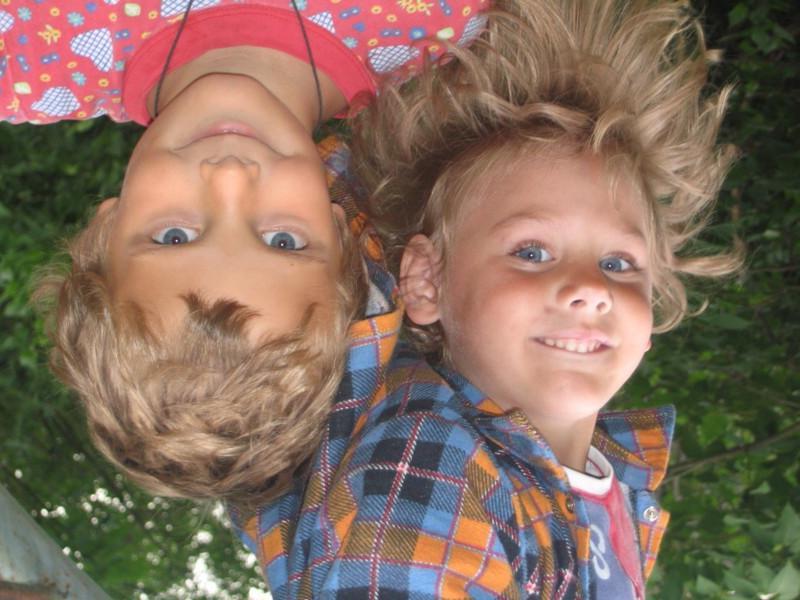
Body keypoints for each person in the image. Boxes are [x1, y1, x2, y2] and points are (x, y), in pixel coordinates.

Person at [234, 0, 742, 596]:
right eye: (532, 251)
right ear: (427, 282)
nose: (592, 289)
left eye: (618, 264)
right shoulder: (431, 460)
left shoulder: (614, 490)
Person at [6, 0, 489, 506]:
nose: (231, 175)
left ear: (105, 230)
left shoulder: (22, 47)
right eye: (282, 241)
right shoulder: (445, 19)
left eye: (175, 236)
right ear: (339, 233)